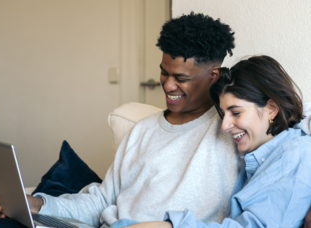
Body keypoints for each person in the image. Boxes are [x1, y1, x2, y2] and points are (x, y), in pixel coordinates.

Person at [0, 12, 240, 228]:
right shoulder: (144, 130)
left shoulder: (233, 132)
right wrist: (38, 204)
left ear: (214, 75)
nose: (168, 85)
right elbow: (102, 201)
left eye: (181, 78)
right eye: (163, 73)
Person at [110, 55, 311, 228]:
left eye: (236, 112)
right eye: (224, 114)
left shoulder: (294, 155)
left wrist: (170, 225)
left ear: (272, 109)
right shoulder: (262, 158)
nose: (224, 126)